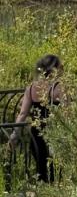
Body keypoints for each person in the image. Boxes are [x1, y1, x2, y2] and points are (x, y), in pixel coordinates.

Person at [9, 54, 65, 183]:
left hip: (37, 134)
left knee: (42, 170)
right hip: (55, 133)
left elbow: (22, 114)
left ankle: (43, 192)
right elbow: (68, 112)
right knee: (57, 172)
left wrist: (14, 135)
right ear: (55, 68)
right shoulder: (59, 87)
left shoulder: (31, 88)